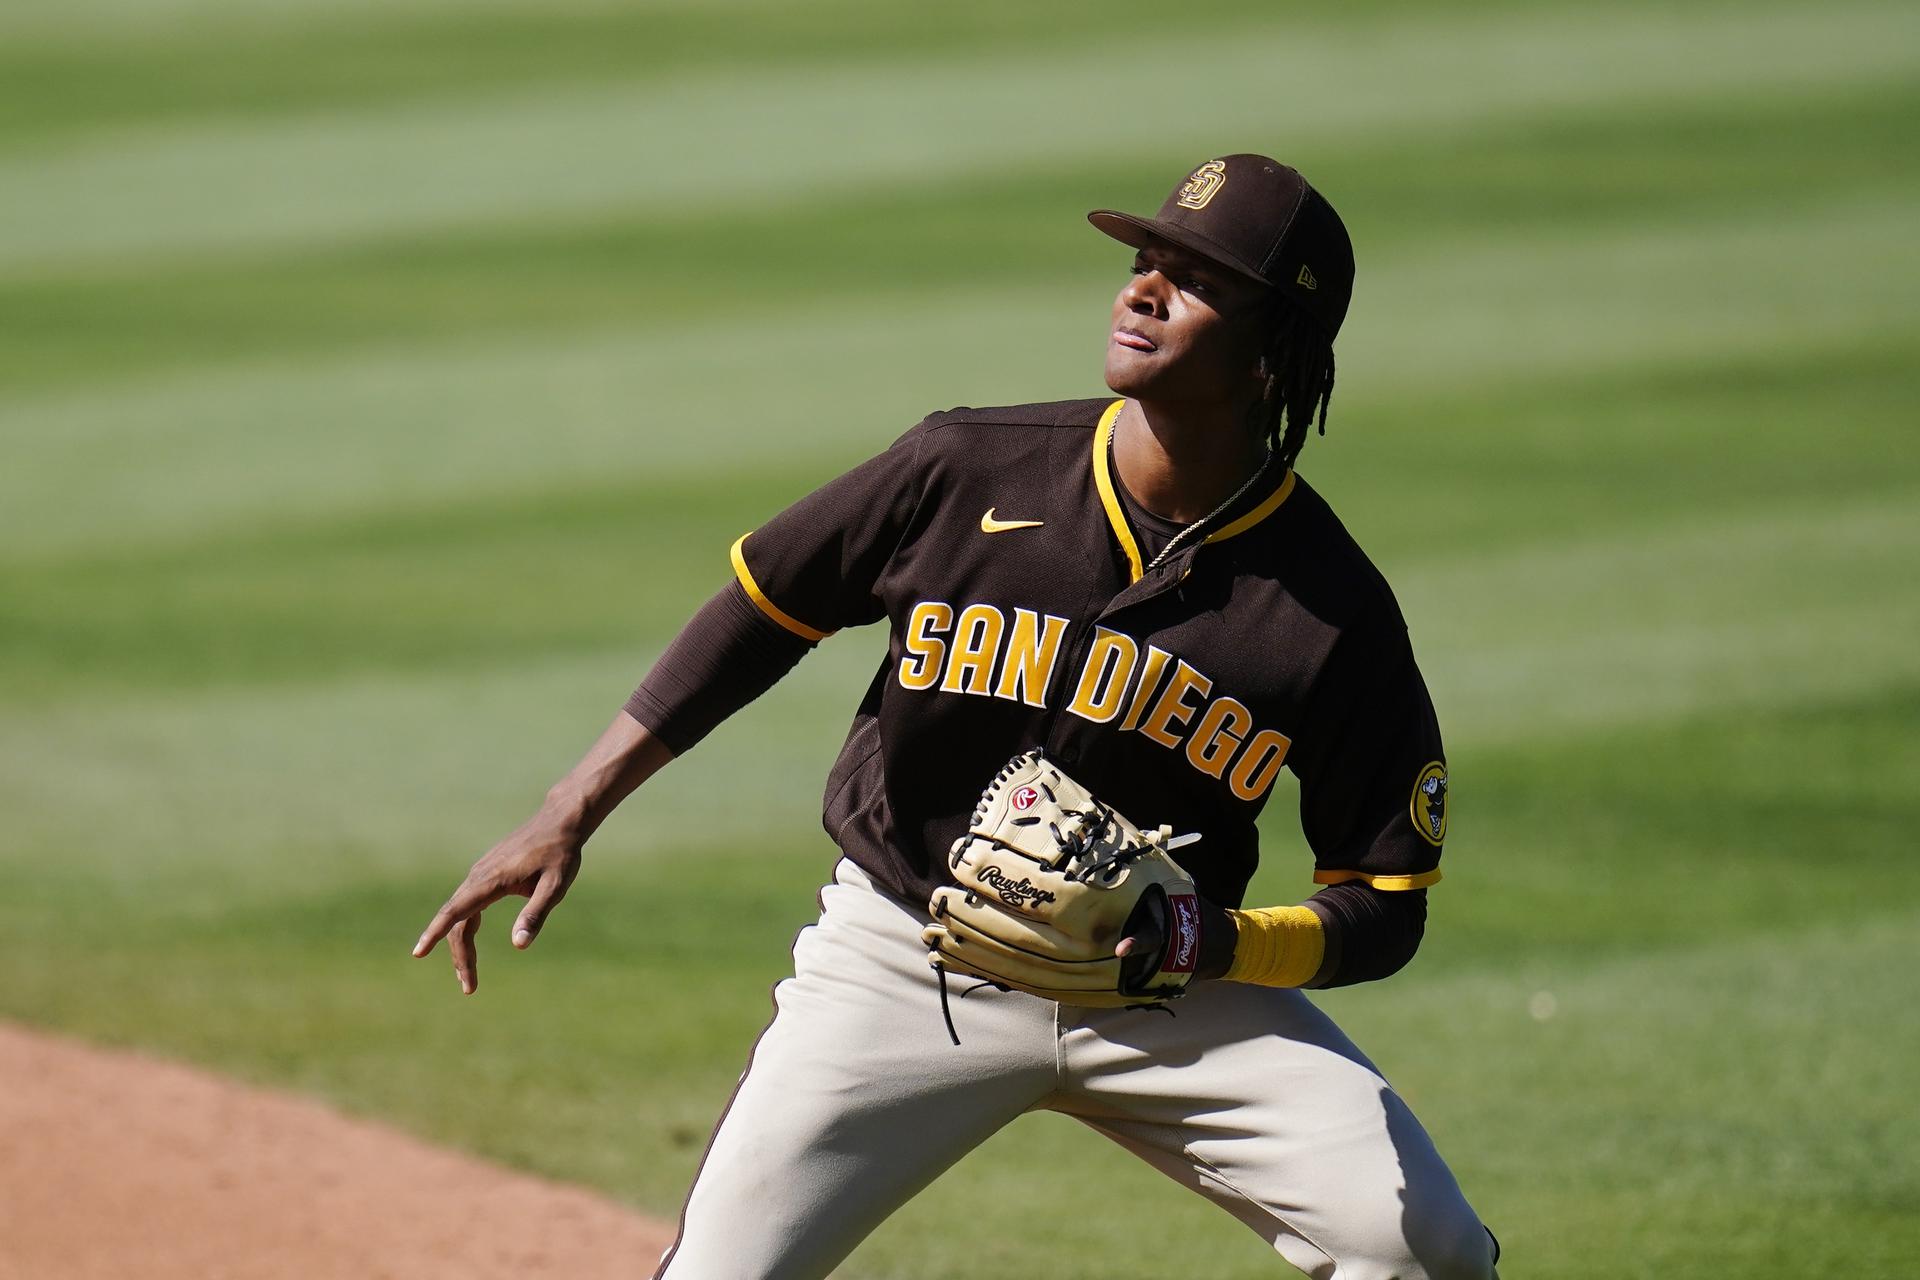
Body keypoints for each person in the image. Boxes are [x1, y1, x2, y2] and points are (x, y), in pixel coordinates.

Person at [414, 154, 1499, 1279]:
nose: (1141, 291)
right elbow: (763, 607)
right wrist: (569, 805)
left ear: (1277, 342)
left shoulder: (1330, 609)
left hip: (1166, 991)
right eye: (1144, 262)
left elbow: (1383, 900)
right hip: (903, 958)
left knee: (1428, 1250)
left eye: (1195, 278)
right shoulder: (968, 465)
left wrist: (1215, 938)